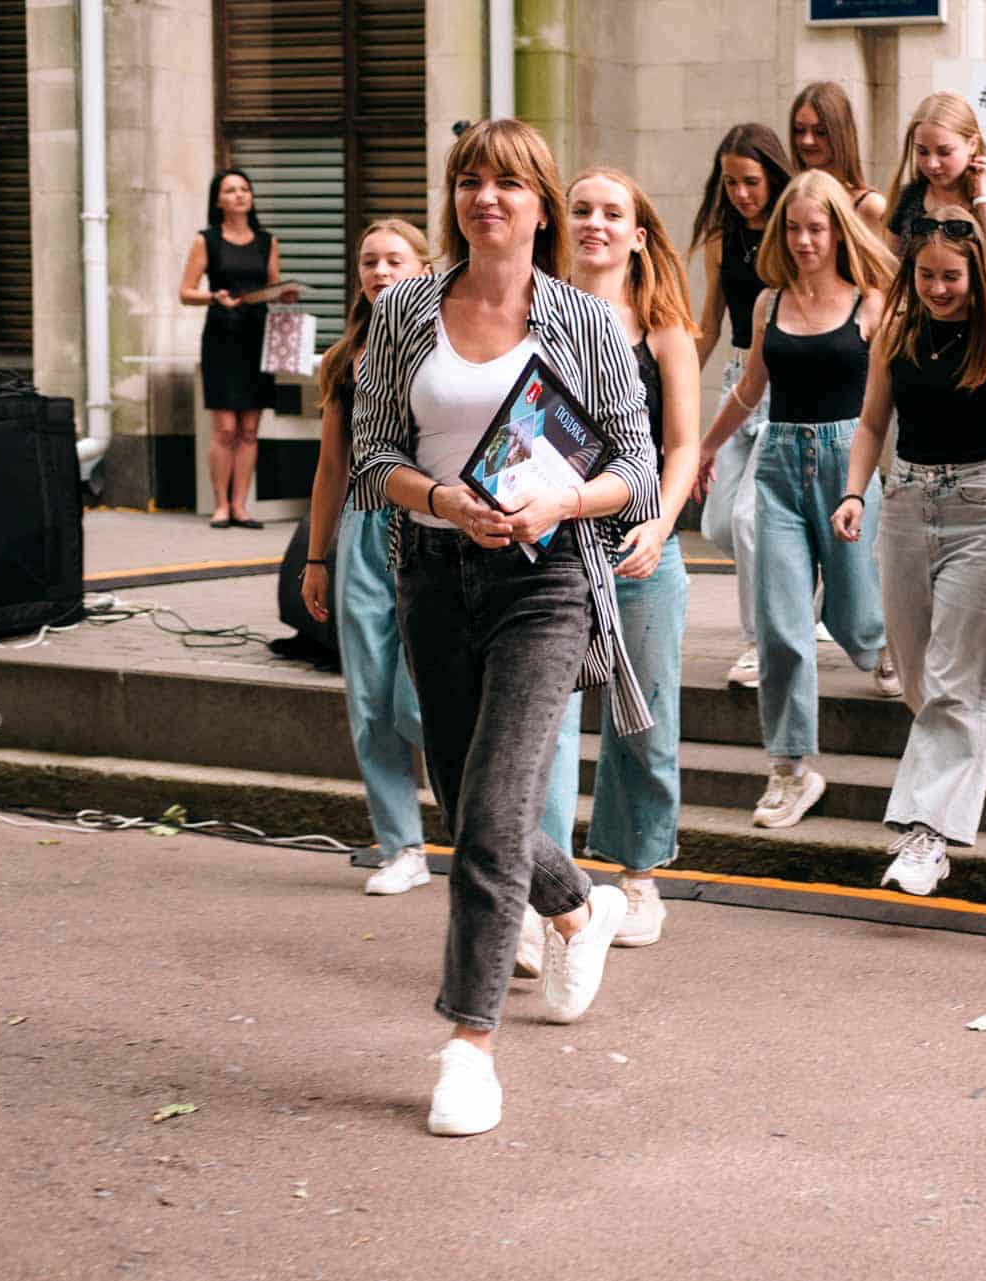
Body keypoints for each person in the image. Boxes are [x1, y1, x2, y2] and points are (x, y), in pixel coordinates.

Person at [349, 118, 659, 1137]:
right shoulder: (406, 310)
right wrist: (444, 500)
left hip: (545, 580)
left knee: (491, 811)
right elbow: (371, 458)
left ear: (539, 204)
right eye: (470, 181)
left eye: (509, 183)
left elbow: (637, 470)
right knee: (462, 792)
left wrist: (560, 502)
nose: (487, 197)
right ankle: (578, 905)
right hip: (435, 574)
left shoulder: (584, 320)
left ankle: (468, 1049)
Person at [300, 219, 584, 911]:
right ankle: (400, 843)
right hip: (367, 523)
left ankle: (520, 858)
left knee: (420, 702)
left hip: (440, 525)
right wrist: (316, 554)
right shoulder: (344, 358)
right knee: (369, 697)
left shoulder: (446, 338)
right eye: (368, 260)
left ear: (422, 270)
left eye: (393, 259)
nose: (379, 271)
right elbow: (335, 465)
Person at [832, 206, 986, 895]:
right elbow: (871, 423)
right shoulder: (895, 335)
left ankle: (929, 835)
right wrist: (855, 492)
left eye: (951, 276)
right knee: (919, 675)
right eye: (926, 275)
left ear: (977, 276)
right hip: (905, 505)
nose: (938, 288)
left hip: (979, 510)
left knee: (954, 683)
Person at [698, 170, 896, 830]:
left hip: (847, 467)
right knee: (781, 625)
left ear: (840, 232)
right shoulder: (769, 303)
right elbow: (751, 387)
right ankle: (789, 768)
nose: (805, 240)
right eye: (793, 229)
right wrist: (705, 447)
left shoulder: (871, 302)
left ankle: (896, 650)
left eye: (817, 228)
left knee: (858, 622)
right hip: (779, 463)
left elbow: (890, 400)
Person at [566, 167, 701, 946]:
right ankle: (545, 884)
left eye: (612, 213)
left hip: (639, 546)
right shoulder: (537, 315)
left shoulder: (663, 330)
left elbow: (682, 446)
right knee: (544, 723)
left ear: (638, 235)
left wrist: (660, 523)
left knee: (644, 722)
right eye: (581, 209)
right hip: (550, 544)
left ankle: (640, 876)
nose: (595, 223)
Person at [692, 124, 793, 690]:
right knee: (718, 523)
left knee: (752, 519)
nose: (740, 194)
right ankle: (796, 566)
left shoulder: (793, 231)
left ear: (772, 177)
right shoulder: (720, 238)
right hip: (737, 382)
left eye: (751, 181)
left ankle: (758, 644)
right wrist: (671, 389)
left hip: (785, 384)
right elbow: (708, 323)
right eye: (730, 182)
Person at [178, 168, 294, 529]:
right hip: (222, 335)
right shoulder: (206, 240)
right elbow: (186, 292)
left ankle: (241, 506)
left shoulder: (267, 241)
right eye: (230, 190)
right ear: (218, 200)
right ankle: (221, 506)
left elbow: (273, 287)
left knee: (249, 429)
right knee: (225, 428)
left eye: (245, 189)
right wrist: (214, 297)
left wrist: (285, 295)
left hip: (257, 334)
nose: (240, 195)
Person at [881, 91, 986, 295]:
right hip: (918, 313)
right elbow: (887, 271)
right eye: (922, 152)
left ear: (972, 144)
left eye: (944, 152)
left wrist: (984, 202)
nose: (932, 164)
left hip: (981, 314)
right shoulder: (910, 196)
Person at [789, 81, 888, 239]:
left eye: (820, 132)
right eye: (799, 130)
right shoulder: (790, 199)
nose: (807, 140)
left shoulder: (871, 207)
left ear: (841, 134)